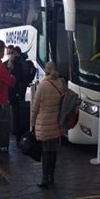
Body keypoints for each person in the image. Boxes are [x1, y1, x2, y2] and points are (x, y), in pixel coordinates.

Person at [31, 61, 66, 189]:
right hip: (56, 123)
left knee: (46, 152)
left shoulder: (43, 85)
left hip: (44, 123)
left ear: (46, 71)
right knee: (54, 152)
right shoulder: (60, 83)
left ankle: (45, 179)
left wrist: (32, 123)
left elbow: (35, 107)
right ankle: (52, 177)